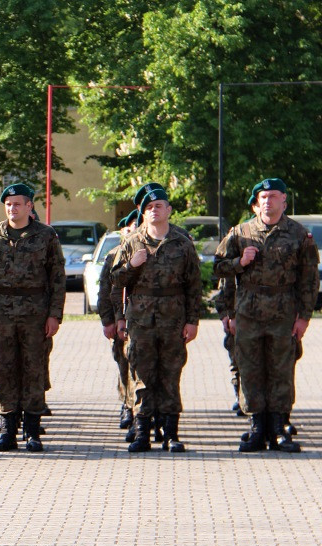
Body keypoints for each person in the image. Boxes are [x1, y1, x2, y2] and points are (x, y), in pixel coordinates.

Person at [214, 177, 318, 452]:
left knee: (282, 369)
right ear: (257, 202)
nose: (268, 201)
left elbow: (309, 280)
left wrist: (304, 317)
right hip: (248, 311)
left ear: (284, 201)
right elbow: (218, 268)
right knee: (250, 369)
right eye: (264, 197)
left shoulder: (299, 235)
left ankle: (280, 426)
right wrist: (240, 262)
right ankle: (257, 426)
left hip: (284, 311)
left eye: (274, 196)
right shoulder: (240, 233)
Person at [0, 183, 65, 452]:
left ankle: (33, 429)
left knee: (34, 369)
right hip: (2, 313)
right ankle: (7, 429)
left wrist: (54, 315)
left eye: (17, 203)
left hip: (36, 313)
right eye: (8, 204)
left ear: (30, 206)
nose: (12, 208)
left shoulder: (46, 235)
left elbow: (57, 278)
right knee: (6, 369)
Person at [112, 186, 201, 453]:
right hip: (140, 321)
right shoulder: (132, 243)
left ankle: (171, 434)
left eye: (159, 206)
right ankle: (142, 433)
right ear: (143, 213)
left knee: (170, 375)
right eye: (149, 207)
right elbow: (115, 280)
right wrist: (132, 266)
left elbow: (194, 285)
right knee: (142, 375)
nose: (154, 210)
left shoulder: (182, 243)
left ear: (169, 210)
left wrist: (192, 320)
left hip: (173, 319)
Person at [99, 210, 137, 432]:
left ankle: (141, 410)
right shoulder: (114, 255)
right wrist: (108, 321)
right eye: (129, 227)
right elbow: (105, 291)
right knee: (124, 364)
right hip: (119, 318)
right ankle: (127, 405)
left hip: (139, 318)